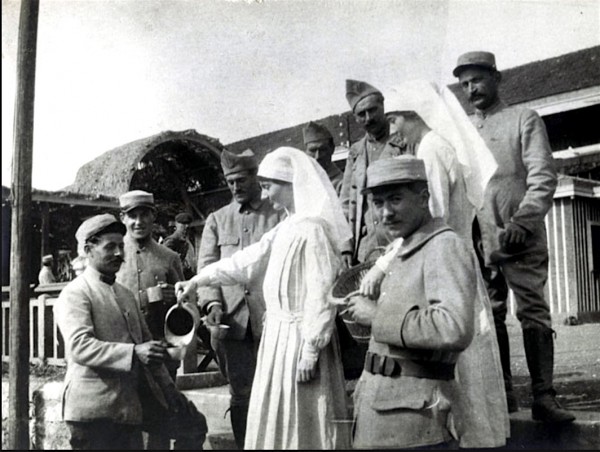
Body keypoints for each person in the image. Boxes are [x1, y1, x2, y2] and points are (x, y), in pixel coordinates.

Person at [177, 147, 351, 450]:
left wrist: (311, 349)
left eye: (270, 186)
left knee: (304, 413)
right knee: (278, 414)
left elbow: (322, 294)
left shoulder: (314, 230)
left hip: (301, 338)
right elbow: (246, 261)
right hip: (279, 337)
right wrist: (199, 279)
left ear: (290, 183)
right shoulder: (287, 227)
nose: (267, 195)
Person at [347, 156, 508, 449]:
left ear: (423, 198)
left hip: (416, 416)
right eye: (378, 202)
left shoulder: (443, 246)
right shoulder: (406, 245)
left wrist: (378, 316)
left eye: (395, 199)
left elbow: (454, 327)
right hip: (383, 408)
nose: (386, 212)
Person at [454, 50, 575, 423]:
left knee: (532, 310)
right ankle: (502, 397)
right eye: (464, 84)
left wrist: (523, 221)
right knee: (489, 316)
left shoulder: (524, 119)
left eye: (477, 79)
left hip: (519, 235)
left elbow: (543, 176)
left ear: (496, 77)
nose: (471, 89)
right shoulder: (462, 132)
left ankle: (544, 396)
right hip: (479, 239)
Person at [54, 213, 207, 450]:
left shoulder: (125, 295)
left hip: (128, 409)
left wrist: (171, 392)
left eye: (120, 246)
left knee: (194, 424)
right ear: (88, 250)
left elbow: (147, 347)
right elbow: (80, 347)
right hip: (93, 412)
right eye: (110, 247)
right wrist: (135, 353)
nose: (118, 253)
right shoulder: (76, 293)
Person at [195, 148, 284, 449]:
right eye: (230, 182)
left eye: (241, 180)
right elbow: (207, 268)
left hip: (271, 319)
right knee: (241, 394)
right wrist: (212, 304)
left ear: (255, 176)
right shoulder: (218, 219)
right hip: (232, 323)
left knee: (276, 390)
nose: (235, 187)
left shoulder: (277, 213)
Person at [115, 190, 197, 449]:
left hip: (159, 352)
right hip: (123, 352)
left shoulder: (169, 257)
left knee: (161, 421)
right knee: (125, 422)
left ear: (153, 217)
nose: (138, 222)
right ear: (123, 218)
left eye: (144, 215)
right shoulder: (112, 255)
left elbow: (187, 306)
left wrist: (173, 297)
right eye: (132, 216)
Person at [339, 79, 393, 267]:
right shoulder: (356, 152)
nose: (368, 118)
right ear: (355, 118)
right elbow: (345, 204)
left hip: (399, 244)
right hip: (367, 251)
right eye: (362, 114)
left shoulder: (402, 141)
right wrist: (346, 246)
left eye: (373, 110)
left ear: (383, 106)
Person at [302, 121, 344, 194]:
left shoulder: (342, 183)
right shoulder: (301, 180)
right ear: (305, 152)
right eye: (312, 150)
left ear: (332, 149)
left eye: (323, 150)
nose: (317, 156)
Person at [163, 212, 198, 280]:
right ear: (176, 224)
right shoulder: (172, 241)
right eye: (183, 224)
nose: (186, 226)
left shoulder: (184, 240)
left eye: (188, 224)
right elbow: (164, 260)